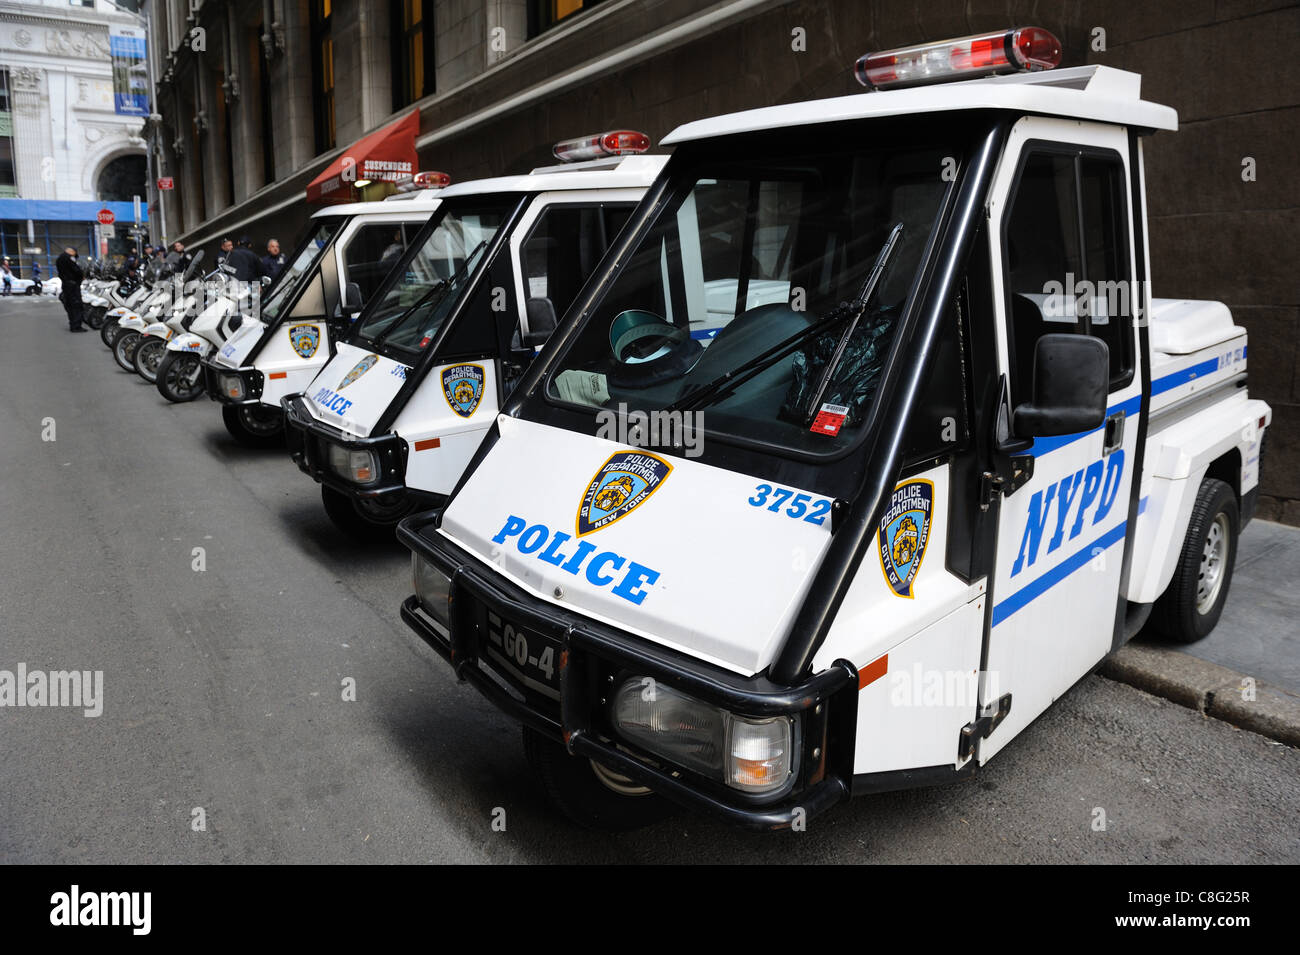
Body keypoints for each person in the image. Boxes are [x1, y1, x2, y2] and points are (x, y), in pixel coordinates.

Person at [55, 247, 88, 332]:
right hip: (72, 285)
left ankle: (73, 324)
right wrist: (82, 275)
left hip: (66, 284)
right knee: (76, 305)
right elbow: (76, 270)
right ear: (72, 252)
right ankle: (76, 326)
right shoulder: (69, 258)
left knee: (70, 305)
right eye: (75, 254)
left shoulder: (59, 258)